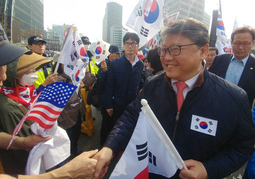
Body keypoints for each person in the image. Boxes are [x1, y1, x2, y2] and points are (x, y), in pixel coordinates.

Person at [93, 18, 255, 179]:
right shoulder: (152, 85)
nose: (167, 57)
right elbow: (131, 117)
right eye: (163, 50)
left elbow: (243, 146)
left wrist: (208, 169)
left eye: (176, 49)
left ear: (203, 51)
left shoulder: (233, 97)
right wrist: (110, 147)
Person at [0, 24, 99, 179]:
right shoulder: (9, 107)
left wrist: (23, 142)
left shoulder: (25, 93)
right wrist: (62, 173)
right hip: (27, 166)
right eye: (29, 69)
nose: (3, 76)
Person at [103, 32, 144, 133]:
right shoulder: (115, 64)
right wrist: (108, 105)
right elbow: (109, 85)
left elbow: (140, 82)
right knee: (116, 130)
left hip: (133, 104)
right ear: (124, 45)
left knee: (131, 130)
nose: (130, 46)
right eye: (127, 43)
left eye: (133, 43)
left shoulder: (140, 64)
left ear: (137, 45)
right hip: (117, 105)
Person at [209, 26, 255, 108]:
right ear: (232, 42)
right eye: (237, 43)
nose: (240, 47)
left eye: (245, 44)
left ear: (252, 43)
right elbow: (208, 82)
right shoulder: (219, 60)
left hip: (240, 112)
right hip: (215, 106)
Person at [97, 45, 120, 145]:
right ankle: (103, 144)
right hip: (106, 102)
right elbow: (101, 85)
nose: (119, 56)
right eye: (117, 54)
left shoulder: (119, 64)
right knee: (106, 124)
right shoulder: (104, 65)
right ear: (110, 54)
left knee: (114, 124)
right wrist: (104, 71)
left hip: (115, 101)